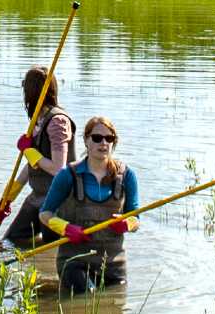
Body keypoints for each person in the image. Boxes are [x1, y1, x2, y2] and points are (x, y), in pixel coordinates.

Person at [39, 116, 140, 294]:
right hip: (75, 260)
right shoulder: (67, 174)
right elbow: (45, 214)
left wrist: (127, 224)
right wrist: (66, 228)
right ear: (86, 140)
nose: (103, 143)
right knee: (87, 298)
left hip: (113, 264)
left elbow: (136, 219)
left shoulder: (127, 175)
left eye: (109, 139)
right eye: (97, 138)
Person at [0, 66, 76, 248]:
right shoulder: (37, 120)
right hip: (38, 196)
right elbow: (31, 166)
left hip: (58, 200)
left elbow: (59, 169)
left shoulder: (57, 121)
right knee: (11, 241)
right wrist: (7, 198)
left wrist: (30, 152)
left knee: (52, 247)